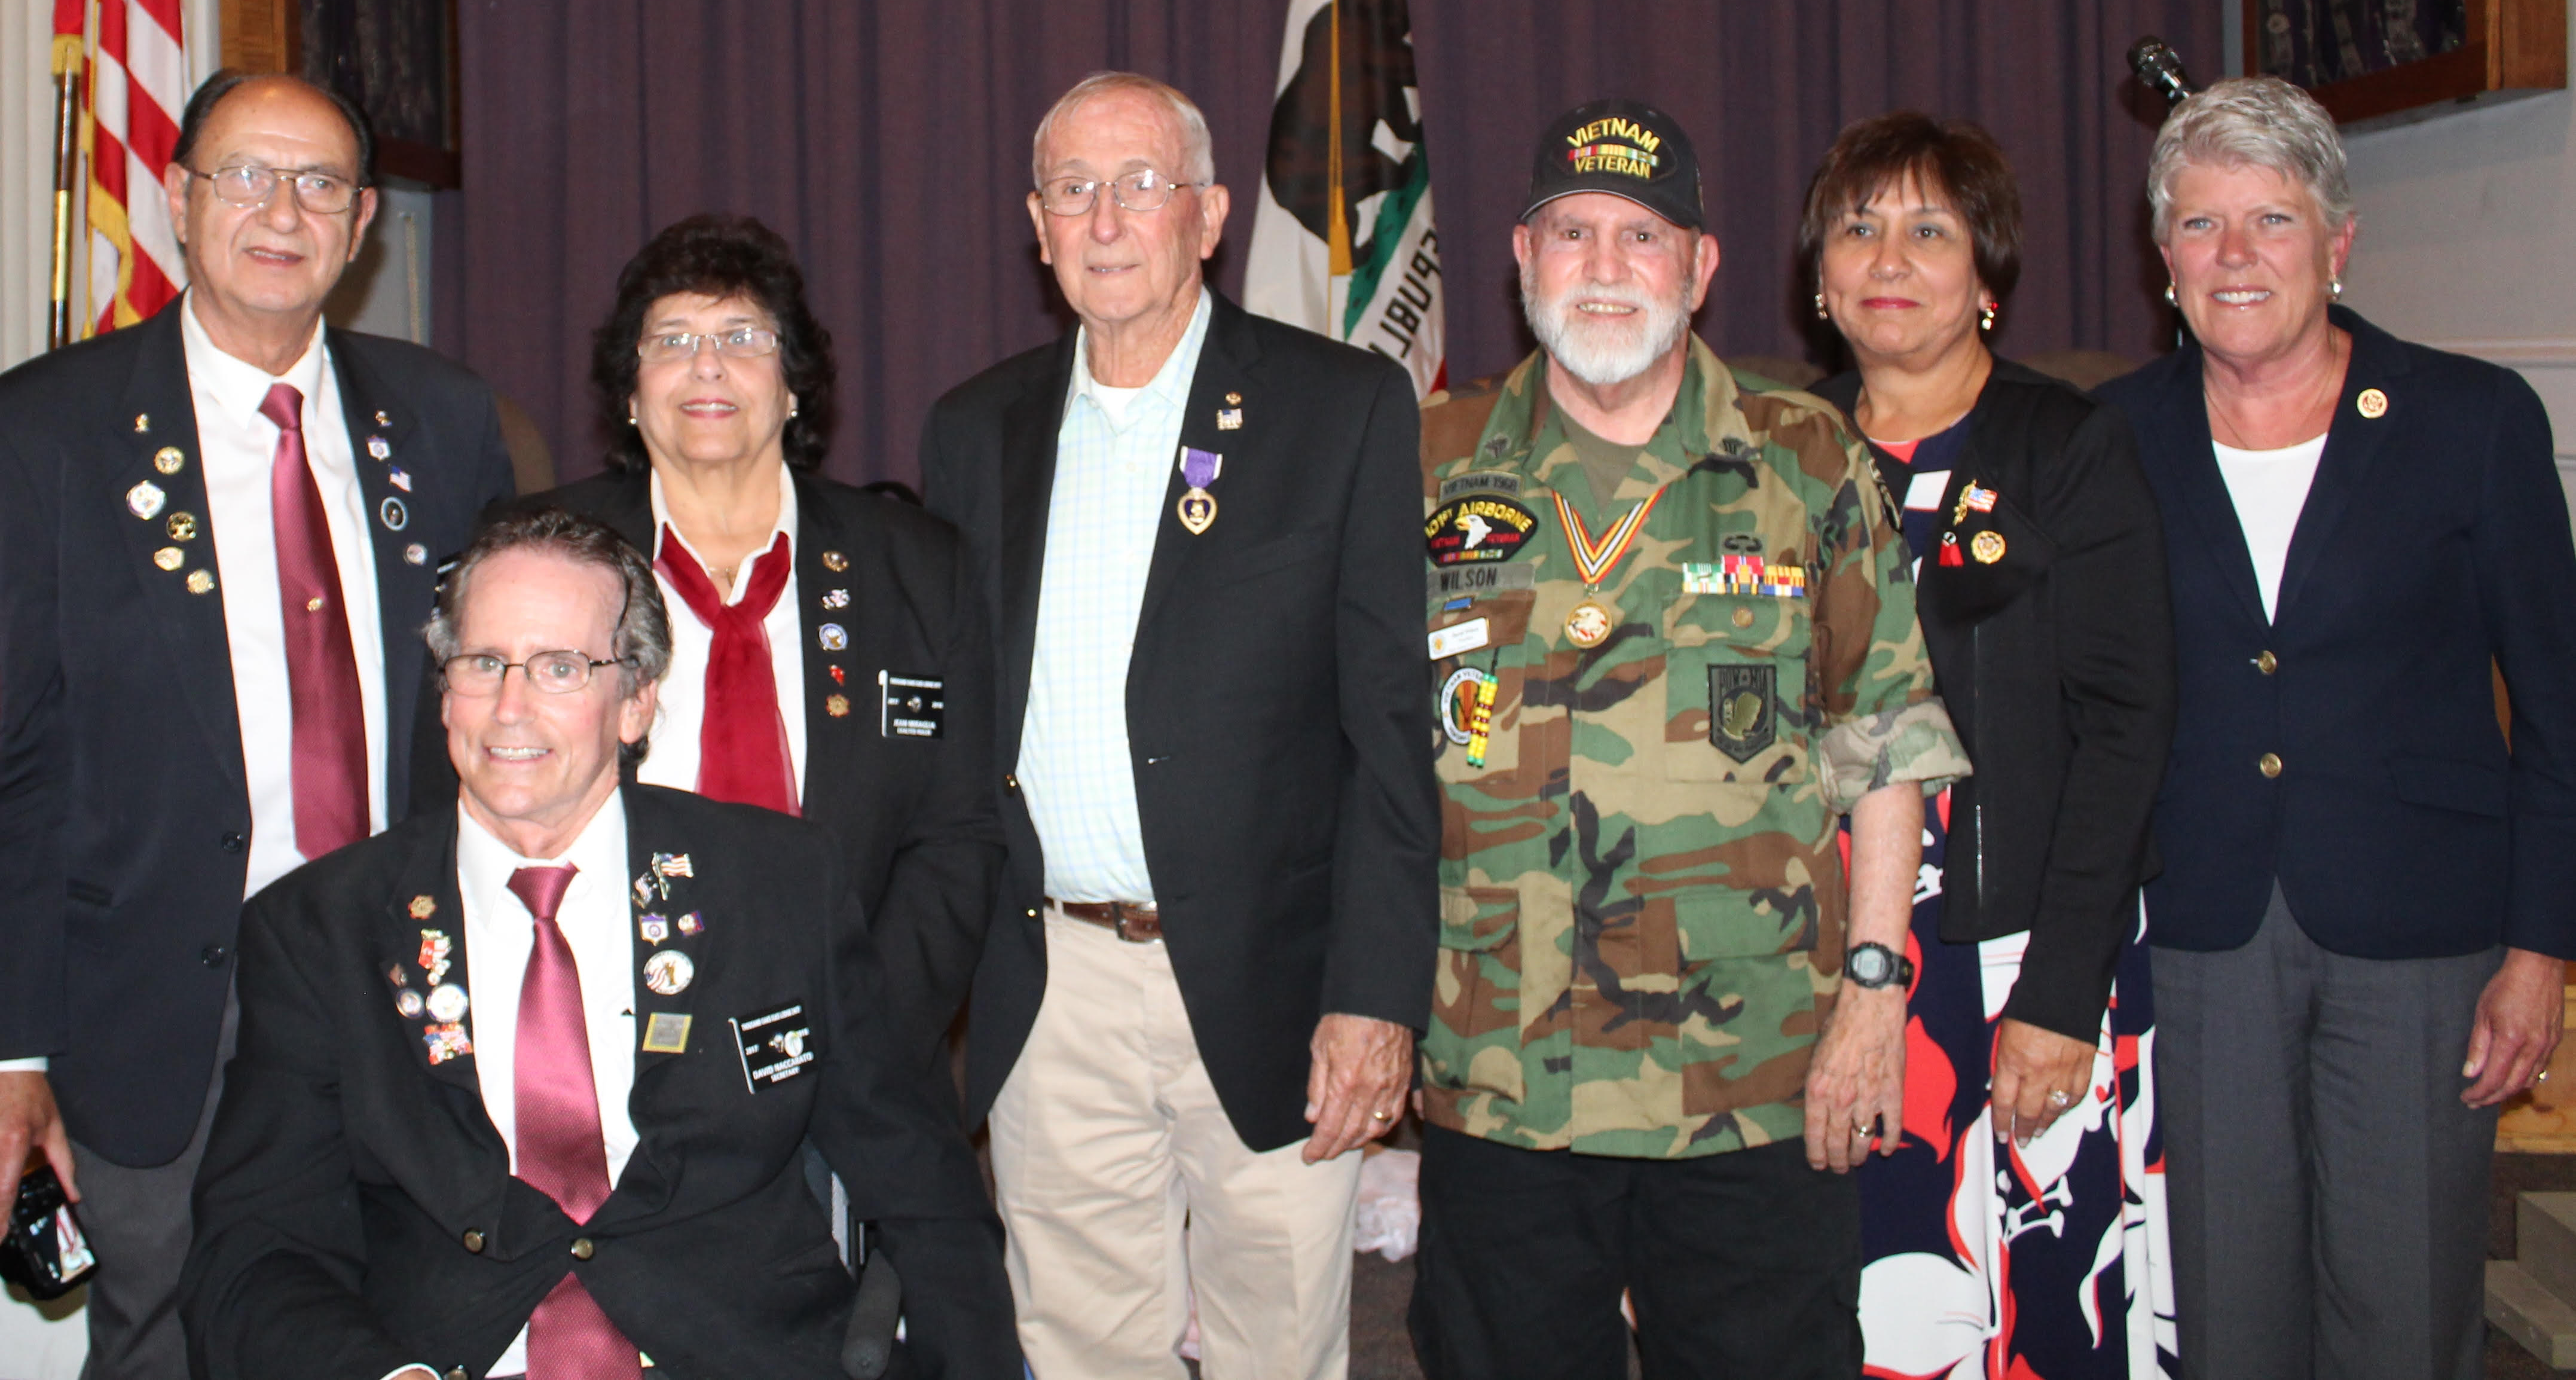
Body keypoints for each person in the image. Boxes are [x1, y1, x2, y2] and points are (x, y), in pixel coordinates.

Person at [178, 506, 1015, 1380]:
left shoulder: (779, 886)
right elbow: (253, 1254)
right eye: (483, 663)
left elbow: (923, 1190)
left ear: (636, 702)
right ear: (445, 690)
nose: (511, 708)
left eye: (560, 668)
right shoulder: (319, 931)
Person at [1408, 98, 1970, 1380]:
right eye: (1573, 233)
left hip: (1747, 1070)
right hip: (1498, 1063)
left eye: (1643, 236)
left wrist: (1874, 994)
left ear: (1700, 266)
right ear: (1522, 256)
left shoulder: (1804, 459)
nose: (1604, 267)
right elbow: (1363, 756)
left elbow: (1884, 743)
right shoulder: (1426, 459)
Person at [919, 71, 1438, 1379]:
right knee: (1080, 1352)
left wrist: (1374, 996)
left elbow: (1391, 735)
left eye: (1139, 184)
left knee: (1279, 1349)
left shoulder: (1339, 409)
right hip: (1053, 987)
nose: (1105, 220)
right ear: (1036, 225)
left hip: (1276, 985)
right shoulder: (973, 431)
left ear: (1206, 216)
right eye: (1073, 189)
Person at [0, 71, 516, 1380]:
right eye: (245, 176)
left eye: (320, 183)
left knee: (399, 1336)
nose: (282, 212)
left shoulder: (447, 422)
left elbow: (499, 713)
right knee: (166, 1342)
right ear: (180, 200)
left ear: (363, 223)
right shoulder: (48, 430)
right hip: (158, 1009)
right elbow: (14, 762)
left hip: (406, 984)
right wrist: (12, 1050)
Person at [2097, 75, 2576, 1380]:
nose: (2234, 256)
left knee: (2404, 1310)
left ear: (2337, 242)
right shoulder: (2113, 435)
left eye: (2271, 220)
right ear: (2163, 258)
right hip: (2197, 926)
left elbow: (2557, 704)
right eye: (2200, 225)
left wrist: (2541, 949)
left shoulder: (2472, 419)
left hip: (2420, 934)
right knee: (2225, 1312)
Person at [412, 212, 1001, 1071]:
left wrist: (860, 1041)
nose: (708, 364)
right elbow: (457, 802)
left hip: (856, 1043)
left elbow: (956, 837)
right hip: (588, 1040)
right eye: (672, 340)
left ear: (794, 384)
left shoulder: (918, 566)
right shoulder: (529, 559)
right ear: (629, 392)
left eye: (742, 336)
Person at [1804, 112, 2177, 1376]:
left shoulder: (2065, 446)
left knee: (2036, 1313)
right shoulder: (1775, 451)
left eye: (1928, 230)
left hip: (2017, 953)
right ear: (1818, 278)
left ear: (1986, 277)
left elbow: (2126, 731)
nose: (1887, 259)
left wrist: (2059, 995)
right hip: (1824, 955)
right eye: (1858, 229)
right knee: (1856, 1299)